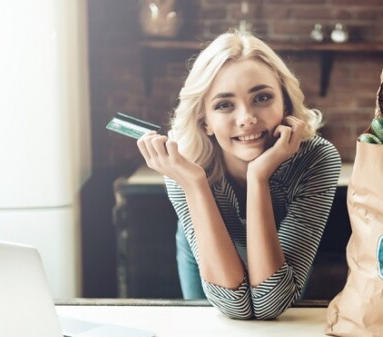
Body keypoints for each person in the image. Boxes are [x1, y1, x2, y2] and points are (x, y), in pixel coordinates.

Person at [137, 30, 341, 320]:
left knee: (274, 331)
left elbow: (271, 303)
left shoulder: (315, 160)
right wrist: (195, 186)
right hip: (208, 245)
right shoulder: (186, 165)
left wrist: (259, 177)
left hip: (278, 254)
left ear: (284, 102)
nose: (246, 118)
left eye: (262, 97)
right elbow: (234, 307)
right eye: (224, 104)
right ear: (204, 121)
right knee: (210, 331)